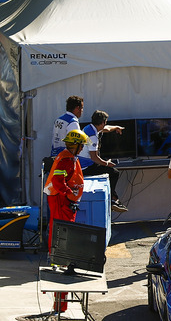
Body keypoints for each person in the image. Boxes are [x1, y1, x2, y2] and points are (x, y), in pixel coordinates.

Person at [44, 129, 87, 313]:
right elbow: (59, 181)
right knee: (63, 236)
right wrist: (70, 194)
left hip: (63, 201)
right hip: (63, 202)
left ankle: (58, 260)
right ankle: (59, 260)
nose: (83, 149)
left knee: (61, 233)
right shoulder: (67, 159)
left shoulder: (67, 156)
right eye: (82, 146)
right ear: (76, 145)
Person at [79, 110, 127, 213]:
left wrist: (116, 128)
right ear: (102, 122)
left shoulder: (89, 128)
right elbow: (94, 158)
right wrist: (106, 163)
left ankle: (114, 199)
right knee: (114, 173)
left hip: (82, 163)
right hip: (86, 168)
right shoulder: (93, 136)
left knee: (107, 168)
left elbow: (106, 129)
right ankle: (112, 200)